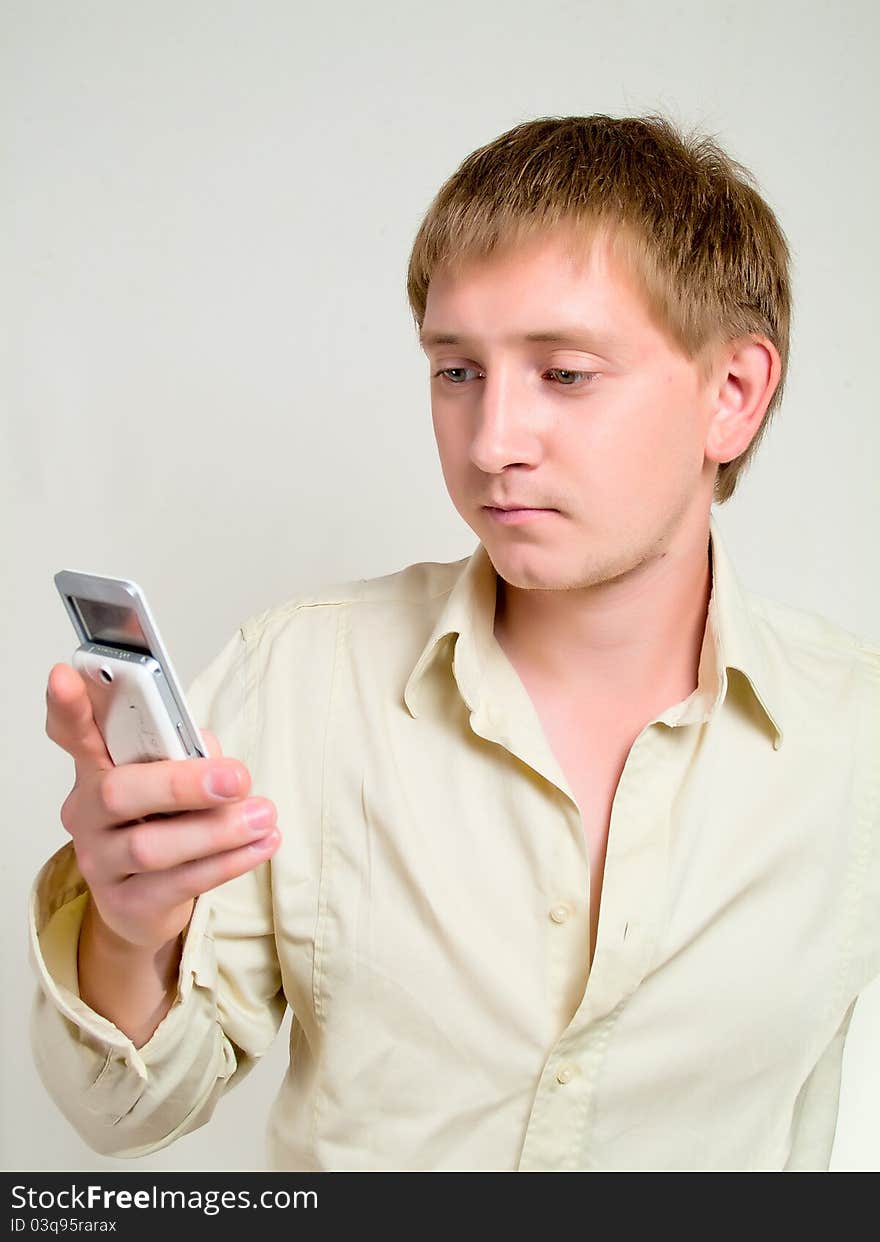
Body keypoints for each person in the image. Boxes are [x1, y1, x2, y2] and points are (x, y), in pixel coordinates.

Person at [31, 113, 879, 1172]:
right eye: (455, 372)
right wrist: (126, 927)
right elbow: (124, 1117)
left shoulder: (855, 735)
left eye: (564, 374)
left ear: (733, 395)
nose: (492, 444)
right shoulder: (303, 678)